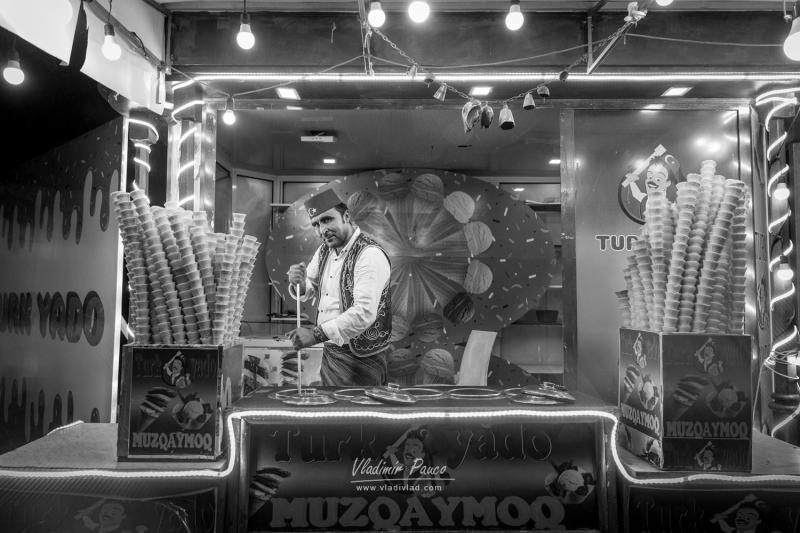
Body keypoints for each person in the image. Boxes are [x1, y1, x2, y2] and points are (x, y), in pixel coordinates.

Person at [287, 188, 392, 386]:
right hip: (331, 349)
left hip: (363, 358)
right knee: (334, 412)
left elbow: (364, 313)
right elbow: (309, 286)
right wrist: (300, 283)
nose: (321, 230)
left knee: (360, 414)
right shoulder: (324, 251)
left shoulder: (369, 254)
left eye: (327, 220)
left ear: (346, 216)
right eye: (316, 224)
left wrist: (315, 334)